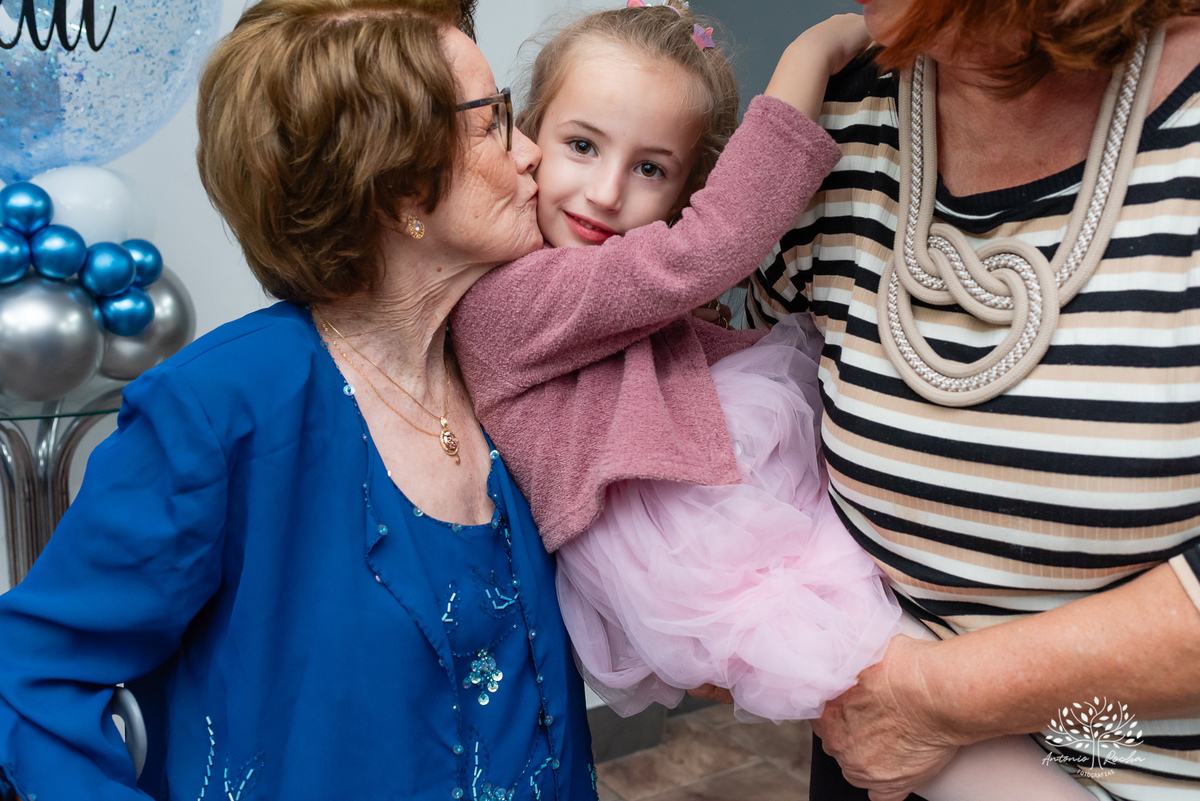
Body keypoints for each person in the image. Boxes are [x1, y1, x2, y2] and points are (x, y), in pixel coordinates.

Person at [450, 4, 1093, 800]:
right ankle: (1077, 771)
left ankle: (1093, 749)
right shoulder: (508, 300)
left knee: (937, 676)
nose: (607, 193)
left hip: (715, 512)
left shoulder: (562, 283)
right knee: (900, 695)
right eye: (581, 146)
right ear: (527, 140)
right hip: (692, 543)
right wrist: (816, 51)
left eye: (652, 168)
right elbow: (709, 246)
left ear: (686, 179)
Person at [0, 1, 598, 799]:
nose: (531, 155)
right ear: (401, 188)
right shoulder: (221, 408)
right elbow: (28, 677)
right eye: (494, 122)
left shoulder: (512, 365)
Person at [746, 0, 1200, 799]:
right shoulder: (843, 118)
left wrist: (941, 700)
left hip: (1140, 767)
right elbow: (722, 392)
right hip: (884, 766)